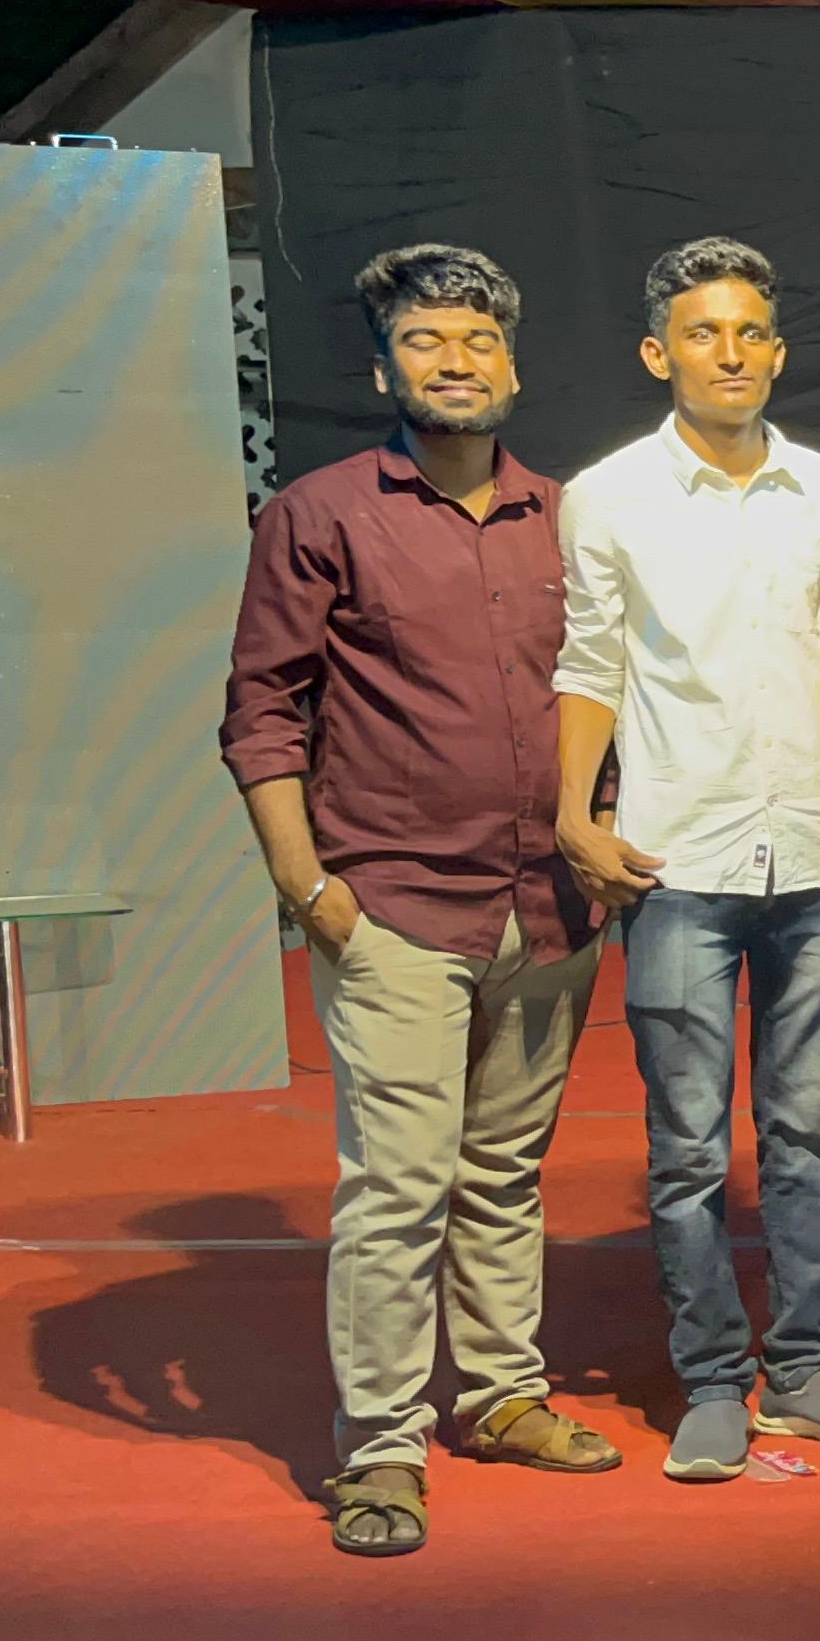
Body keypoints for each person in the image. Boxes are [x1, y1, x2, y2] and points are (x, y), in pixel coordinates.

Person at [221, 243, 615, 1556]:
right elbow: (262, 711)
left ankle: (500, 1394)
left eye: (478, 340)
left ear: (515, 363)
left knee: (503, 1173)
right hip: (390, 903)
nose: (457, 361)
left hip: (549, 910)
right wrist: (306, 886)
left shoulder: (570, 517)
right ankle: (382, 1446)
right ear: (385, 368)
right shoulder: (319, 514)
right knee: (398, 1187)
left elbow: (617, 689)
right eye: (427, 341)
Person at [554, 236, 820, 1481]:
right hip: (679, 855)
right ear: (659, 354)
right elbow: (591, 659)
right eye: (704, 333)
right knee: (690, 1146)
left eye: (752, 331)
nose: (731, 352)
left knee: (806, 1134)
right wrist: (574, 811)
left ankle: (801, 1369)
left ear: (779, 350)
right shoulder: (607, 495)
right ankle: (712, 1379)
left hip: (817, 849)